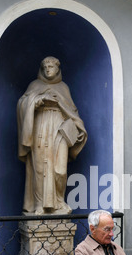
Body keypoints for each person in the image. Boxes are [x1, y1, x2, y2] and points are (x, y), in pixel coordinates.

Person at [17, 56, 87, 215]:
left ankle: (59, 202)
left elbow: (72, 111)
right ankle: (39, 204)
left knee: (60, 169)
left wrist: (78, 128)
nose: (48, 69)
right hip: (40, 128)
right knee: (40, 168)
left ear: (58, 69)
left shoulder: (64, 87)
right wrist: (39, 99)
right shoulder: (34, 85)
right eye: (45, 67)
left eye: (51, 67)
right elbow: (22, 104)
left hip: (59, 129)